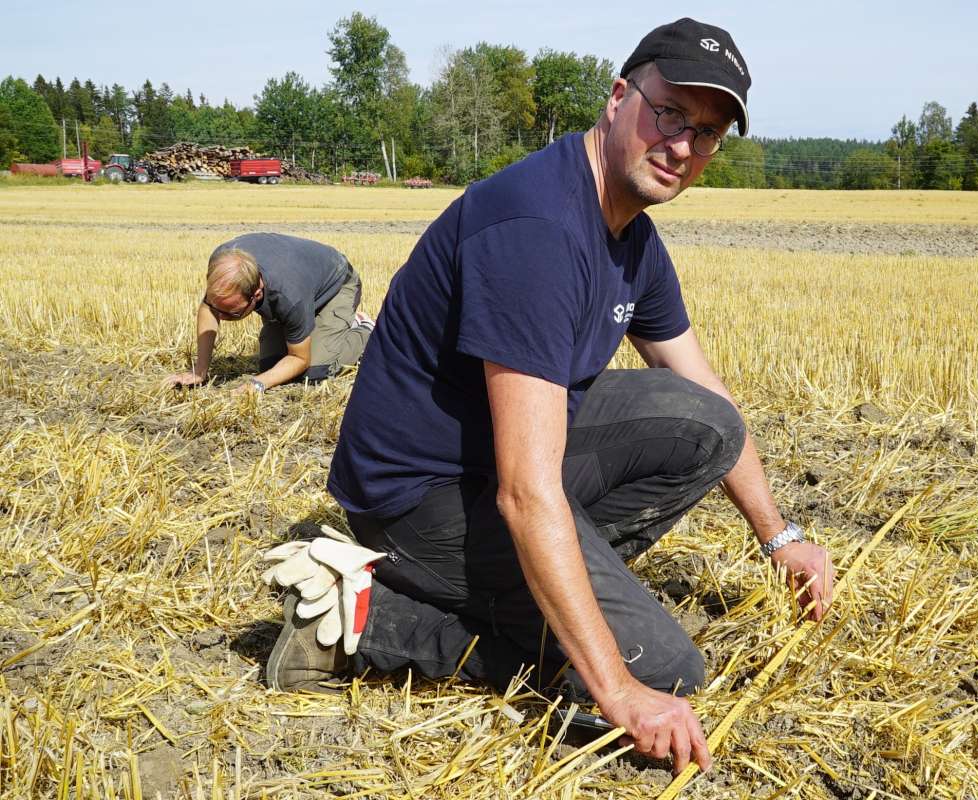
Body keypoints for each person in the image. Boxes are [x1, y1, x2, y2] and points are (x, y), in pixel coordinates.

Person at [265, 18, 835, 775]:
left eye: (707, 133)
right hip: (418, 496)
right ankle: (373, 619)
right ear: (618, 96)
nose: (683, 146)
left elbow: (704, 388)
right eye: (670, 114)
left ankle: (533, 589)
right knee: (663, 668)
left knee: (706, 425)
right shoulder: (538, 228)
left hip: (493, 465)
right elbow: (527, 493)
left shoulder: (630, 235)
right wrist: (622, 689)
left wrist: (779, 535)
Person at [165, 233, 374, 393]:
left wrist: (257, 385)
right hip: (299, 283)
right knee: (271, 366)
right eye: (218, 310)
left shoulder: (289, 297)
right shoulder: (223, 264)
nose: (222, 317)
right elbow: (208, 308)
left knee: (315, 372)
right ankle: (313, 328)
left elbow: (300, 359)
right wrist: (200, 371)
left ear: (256, 294)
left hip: (336, 285)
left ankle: (364, 330)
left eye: (233, 313)